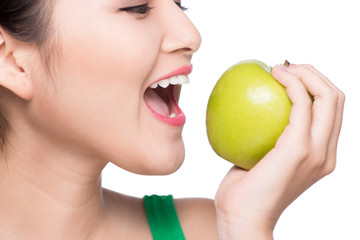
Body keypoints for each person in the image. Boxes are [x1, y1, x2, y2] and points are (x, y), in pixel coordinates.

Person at [0, 0, 345, 239]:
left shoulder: (216, 231)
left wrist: (248, 227)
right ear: (11, 61)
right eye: (136, 7)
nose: (191, 35)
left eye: (179, 4)